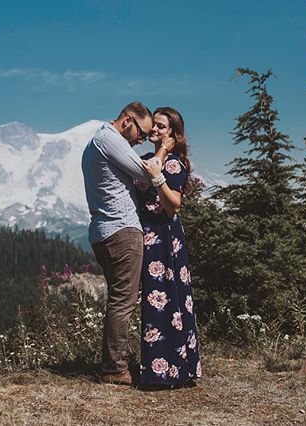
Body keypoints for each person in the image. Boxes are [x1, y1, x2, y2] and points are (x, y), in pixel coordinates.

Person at [81, 102, 172, 386]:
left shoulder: (97, 142)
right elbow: (148, 174)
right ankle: (114, 368)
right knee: (123, 301)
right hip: (121, 230)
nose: (141, 140)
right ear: (127, 122)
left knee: (120, 299)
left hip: (103, 230)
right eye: (141, 134)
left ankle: (115, 363)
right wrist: (164, 150)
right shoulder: (109, 138)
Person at [137, 107, 201, 386]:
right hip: (150, 234)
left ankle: (172, 370)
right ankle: (161, 369)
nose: (155, 130)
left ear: (172, 134)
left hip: (164, 235)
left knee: (168, 297)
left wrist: (158, 177)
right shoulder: (150, 159)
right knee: (156, 298)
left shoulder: (174, 164)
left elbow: (173, 204)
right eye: (154, 125)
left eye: (162, 127)